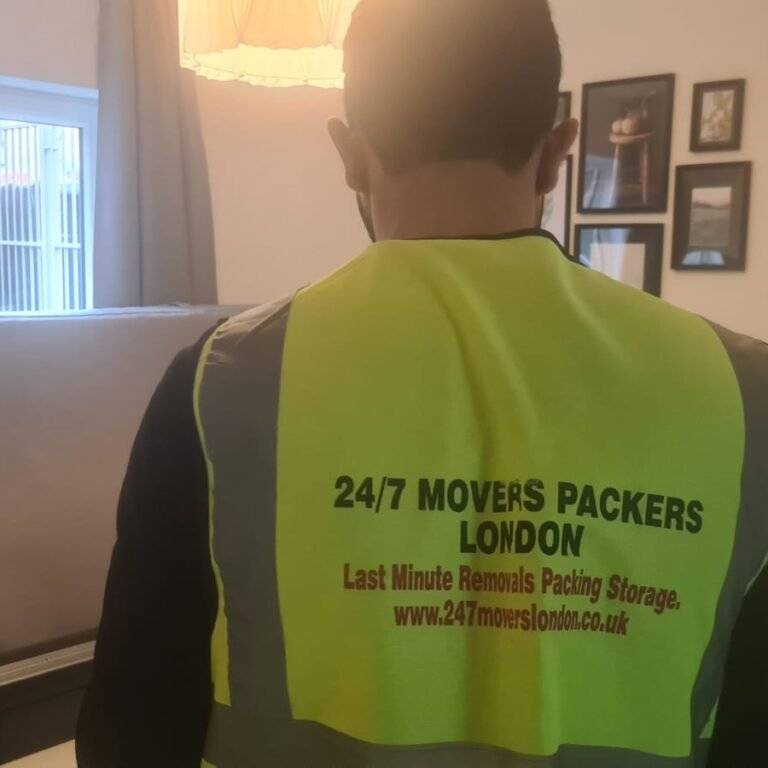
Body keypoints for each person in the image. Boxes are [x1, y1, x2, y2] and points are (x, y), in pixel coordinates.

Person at [76, 1, 768, 766]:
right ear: (558, 152)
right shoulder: (745, 393)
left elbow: (128, 731)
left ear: (349, 154)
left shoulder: (219, 383)